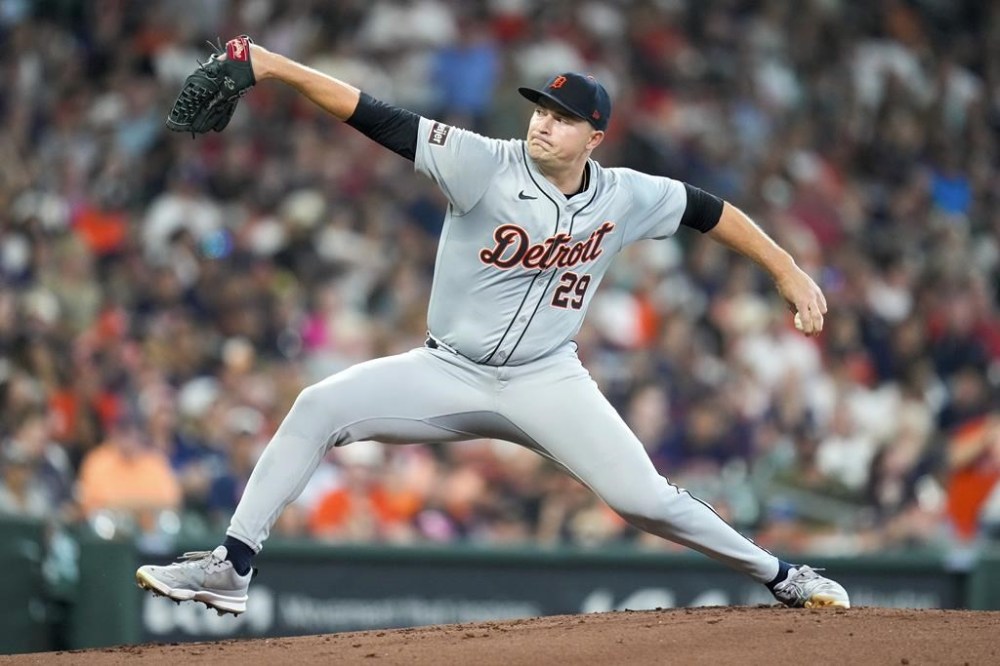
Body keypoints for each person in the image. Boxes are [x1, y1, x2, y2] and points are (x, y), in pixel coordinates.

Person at [136, 37, 849, 616]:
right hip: (447, 371)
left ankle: (782, 576)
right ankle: (231, 565)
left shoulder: (626, 195)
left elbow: (709, 210)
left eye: (563, 117)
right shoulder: (481, 162)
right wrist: (269, 64)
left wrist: (784, 266)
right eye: (539, 108)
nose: (543, 121)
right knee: (318, 405)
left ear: (594, 136)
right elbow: (372, 113)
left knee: (646, 500)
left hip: (548, 377)